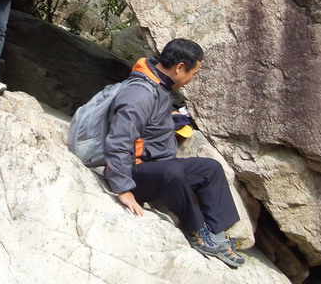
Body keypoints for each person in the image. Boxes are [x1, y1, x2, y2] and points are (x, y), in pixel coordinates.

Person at [104, 38, 245, 268]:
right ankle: (197, 230)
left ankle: (218, 236)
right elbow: (119, 140)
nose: (191, 80)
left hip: (159, 165)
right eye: (193, 73)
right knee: (172, 171)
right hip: (136, 172)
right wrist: (122, 188)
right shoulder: (140, 93)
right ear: (180, 67)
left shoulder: (160, 85)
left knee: (211, 168)